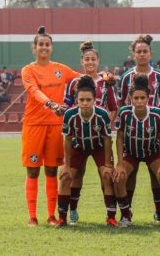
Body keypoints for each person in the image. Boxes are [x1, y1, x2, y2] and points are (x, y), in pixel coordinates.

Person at [21, 26, 80, 226]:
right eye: (41, 44)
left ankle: (51, 215)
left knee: (52, 170)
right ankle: (32, 216)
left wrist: (102, 75)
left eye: (47, 44)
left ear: (51, 47)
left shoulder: (60, 69)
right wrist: (51, 103)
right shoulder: (28, 70)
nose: (44, 47)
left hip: (56, 125)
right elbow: (34, 91)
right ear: (35, 47)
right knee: (33, 171)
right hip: (34, 125)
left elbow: (80, 79)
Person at [62, 40, 118, 224]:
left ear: (98, 60)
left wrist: (101, 125)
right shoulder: (73, 83)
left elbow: (113, 108)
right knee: (76, 174)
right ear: (82, 61)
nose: (90, 62)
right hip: (79, 138)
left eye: (93, 59)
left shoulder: (107, 81)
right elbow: (68, 108)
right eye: (87, 59)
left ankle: (110, 215)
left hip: (100, 139)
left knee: (106, 175)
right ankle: (72, 211)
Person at [119, 35, 160, 222]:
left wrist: (155, 116)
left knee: (156, 172)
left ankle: (159, 211)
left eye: (145, 52)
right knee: (129, 173)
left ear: (150, 54)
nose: (141, 55)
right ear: (133, 54)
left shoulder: (159, 76)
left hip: (152, 131)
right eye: (138, 52)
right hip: (132, 131)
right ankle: (127, 210)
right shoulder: (126, 77)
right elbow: (122, 100)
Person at [112, 74, 160, 227]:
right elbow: (119, 138)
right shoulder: (124, 113)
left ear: (148, 98)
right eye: (136, 98)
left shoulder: (157, 113)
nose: (139, 101)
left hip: (152, 152)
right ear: (130, 98)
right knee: (119, 177)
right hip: (131, 152)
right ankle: (126, 217)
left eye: (142, 98)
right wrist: (119, 163)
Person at [56, 76, 115, 227]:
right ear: (76, 100)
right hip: (79, 146)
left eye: (88, 100)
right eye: (81, 100)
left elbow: (108, 139)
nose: (85, 103)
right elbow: (68, 139)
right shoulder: (70, 114)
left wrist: (108, 164)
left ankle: (111, 217)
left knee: (107, 176)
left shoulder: (102, 114)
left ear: (95, 99)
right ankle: (62, 218)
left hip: (99, 147)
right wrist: (67, 165)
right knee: (65, 176)